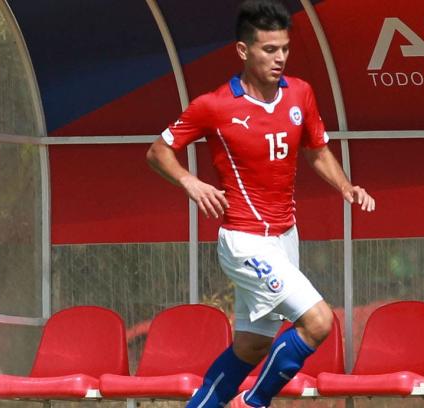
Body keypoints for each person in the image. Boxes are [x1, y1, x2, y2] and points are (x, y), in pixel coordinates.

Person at [146, 1, 375, 407]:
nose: (279, 57)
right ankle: (252, 403)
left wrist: (345, 186)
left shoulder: (300, 93)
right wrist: (189, 181)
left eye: (284, 48)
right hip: (244, 241)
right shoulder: (215, 105)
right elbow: (158, 151)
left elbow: (317, 150)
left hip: (285, 238)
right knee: (319, 321)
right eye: (269, 49)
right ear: (243, 50)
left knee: (252, 346)